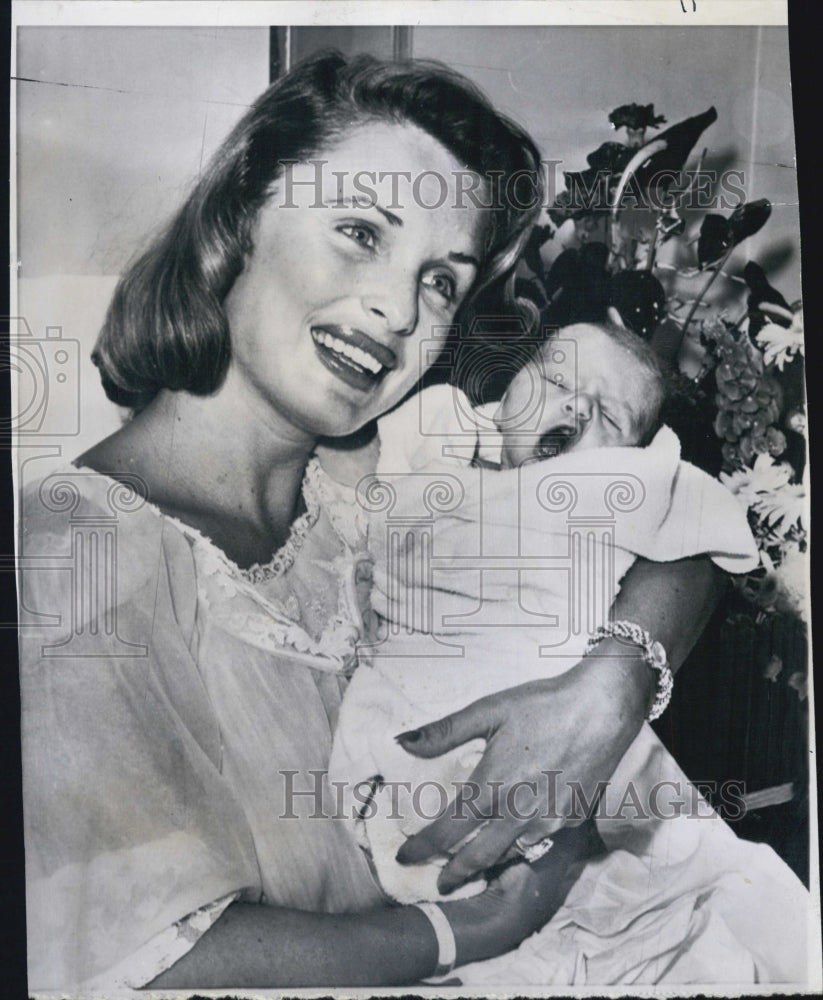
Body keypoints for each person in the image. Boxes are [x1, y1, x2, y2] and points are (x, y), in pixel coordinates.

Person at [17, 52, 799, 991]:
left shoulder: (395, 469)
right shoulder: (67, 558)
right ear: (238, 221)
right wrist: (467, 930)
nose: (395, 308)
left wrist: (613, 684)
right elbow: (114, 951)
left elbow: (671, 529)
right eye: (358, 231)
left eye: (440, 280)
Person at [327, 324, 808, 983]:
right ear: (512, 380)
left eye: (607, 413)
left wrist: (614, 680)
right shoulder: (446, 434)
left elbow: (701, 518)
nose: (574, 406)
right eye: (555, 380)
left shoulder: (619, 484)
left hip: (564, 701)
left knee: (669, 909)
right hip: (421, 676)